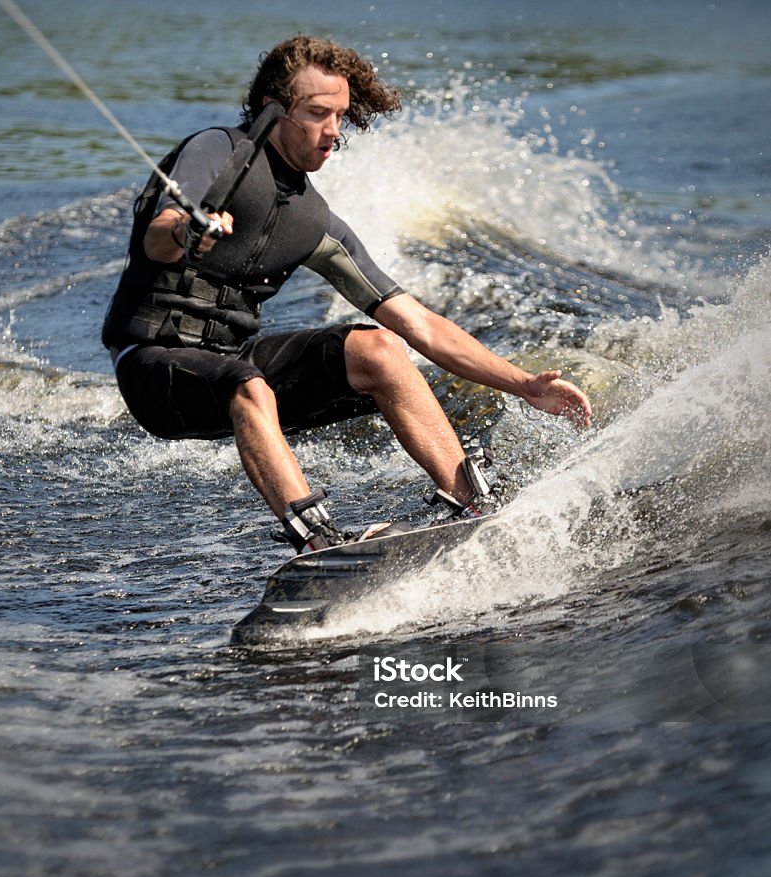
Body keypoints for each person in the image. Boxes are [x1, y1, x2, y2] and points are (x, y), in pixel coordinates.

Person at [102, 36, 591, 553]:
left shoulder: (314, 221)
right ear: (273, 110)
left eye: (340, 115)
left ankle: (473, 503)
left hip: (231, 363)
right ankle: (319, 543)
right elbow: (161, 233)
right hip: (154, 370)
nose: (333, 131)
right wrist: (185, 232)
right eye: (317, 113)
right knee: (247, 383)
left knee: (378, 349)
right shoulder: (214, 151)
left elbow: (419, 324)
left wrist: (522, 385)